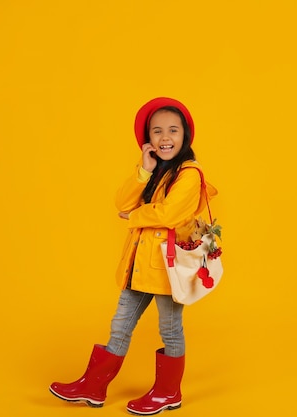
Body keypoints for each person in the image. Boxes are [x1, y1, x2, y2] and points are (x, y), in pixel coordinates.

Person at [49, 97, 218, 415]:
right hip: (139, 267)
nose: (165, 138)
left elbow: (167, 215)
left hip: (167, 269)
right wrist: (144, 171)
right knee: (120, 325)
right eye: (157, 132)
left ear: (185, 136)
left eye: (172, 130)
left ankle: (168, 392)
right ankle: (93, 386)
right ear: (148, 139)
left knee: (169, 329)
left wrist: (138, 214)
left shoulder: (190, 174)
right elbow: (122, 203)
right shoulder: (157, 172)